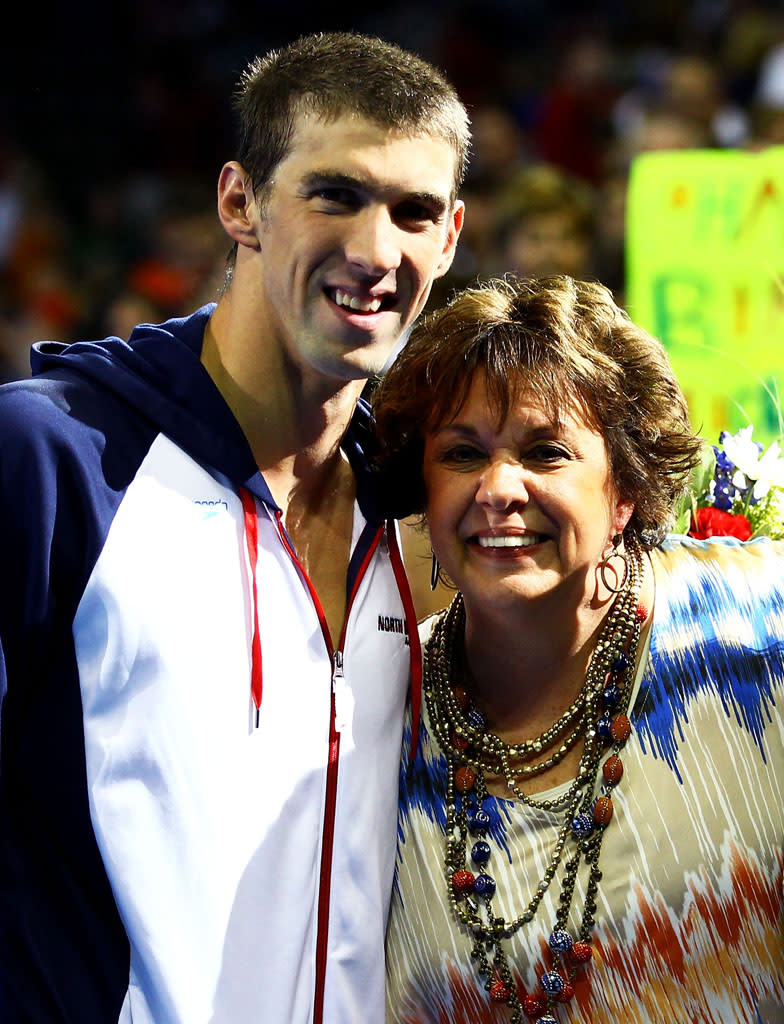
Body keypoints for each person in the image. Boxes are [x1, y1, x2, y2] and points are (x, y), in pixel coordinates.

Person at [0, 32, 467, 1024]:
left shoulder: (423, 518)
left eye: (413, 212)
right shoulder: (52, 461)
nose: (376, 251)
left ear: (452, 237)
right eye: (335, 194)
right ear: (239, 202)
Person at [374, 276, 784, 1023]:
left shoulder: (757, 637)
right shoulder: (377, 715)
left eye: (546, 451)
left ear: (625, 486)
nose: (500, 488)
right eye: (463, 453)